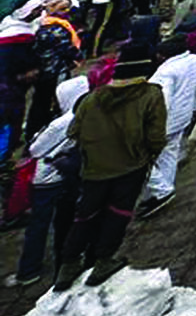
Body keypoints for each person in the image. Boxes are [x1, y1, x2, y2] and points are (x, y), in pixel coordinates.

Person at [52, 46, 168, 290]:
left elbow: (73, 132)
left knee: (85, 214)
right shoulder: (150, 95)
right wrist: (148, 155)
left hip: (95, 169)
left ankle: (69, 264)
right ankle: (104, 259)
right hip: (131, 166)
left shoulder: (93, 98)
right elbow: (156, 136)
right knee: (119, 213)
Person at [9, 76, 87, 288]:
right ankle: (71, 256)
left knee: (39, 224)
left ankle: (28, 270)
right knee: (68, 218)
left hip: (46, 178)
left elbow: (35, 149)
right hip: (71, 174)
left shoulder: (61, 123)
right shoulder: (88, 114)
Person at [137, 29, 196, 218]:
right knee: (169, 153)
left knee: (139, 158)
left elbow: (161, 101)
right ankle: (165, 189)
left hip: (161, 123)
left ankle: (161, 190)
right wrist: (193, 108)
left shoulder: (166, 72)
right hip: (182, 118)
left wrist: (149, 122)